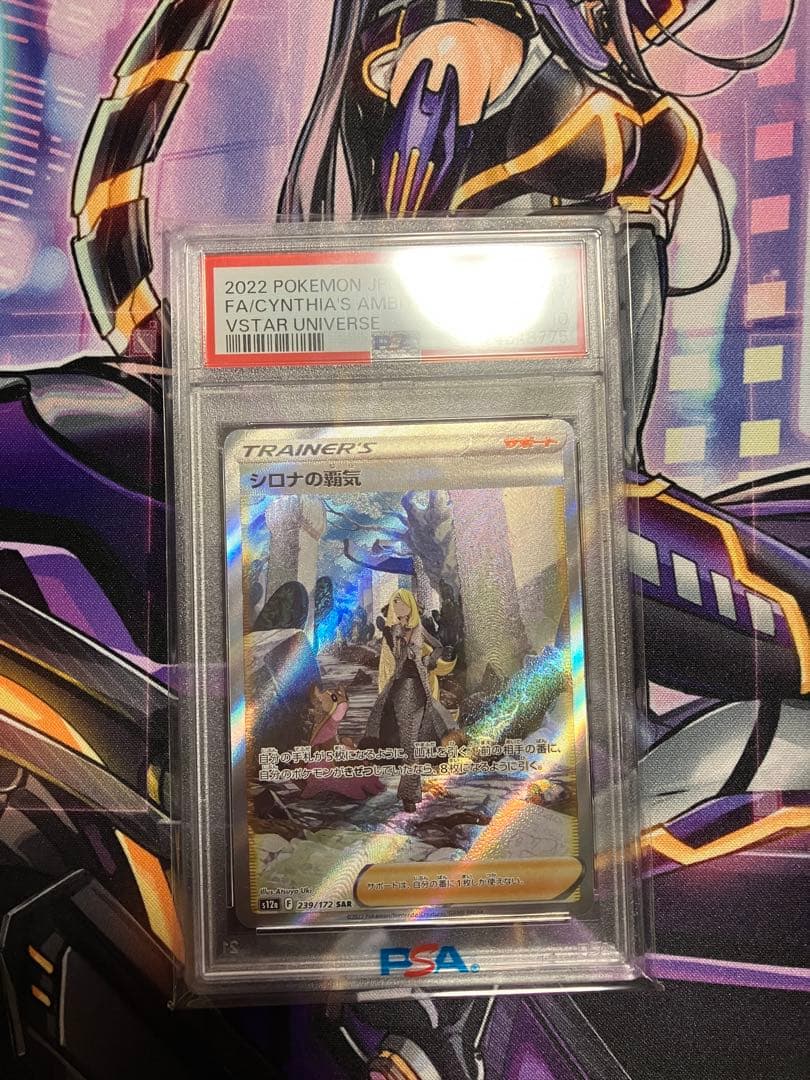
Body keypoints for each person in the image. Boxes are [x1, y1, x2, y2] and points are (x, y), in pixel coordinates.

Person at [362, 588, 463, 811]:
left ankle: (409, 792)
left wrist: (430, 660)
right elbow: (392, 659)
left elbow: (438, 646)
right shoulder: (392, 630)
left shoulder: (419, 629)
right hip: (399, 689)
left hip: (418, 689)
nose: (399, 608)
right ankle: (409, 793)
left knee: (413, 742)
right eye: (395, 604)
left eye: (402, 603)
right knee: (407, 742)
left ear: (410, 606)